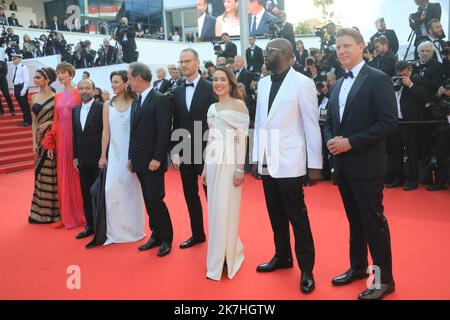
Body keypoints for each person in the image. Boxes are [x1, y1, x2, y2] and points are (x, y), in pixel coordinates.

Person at [324, 28, 397, 300]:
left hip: (367, 166)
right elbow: (330, 121)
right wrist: (332, 140)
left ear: (361, 46)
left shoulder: (378, 79)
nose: (341, 51)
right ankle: (357, 268)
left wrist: (351, 142)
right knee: (355, 221)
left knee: (373, 222)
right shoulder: (338, 83)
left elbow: (389, 123)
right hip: (343, 165)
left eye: (346, 45)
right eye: (338, 47)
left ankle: (383, 280)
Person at [253, 39, 323, 294]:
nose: (265, 53)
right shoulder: (262, 83)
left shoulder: (303, 83)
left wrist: (315, 165)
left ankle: (307, 268)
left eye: (270, 50)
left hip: (292, 161)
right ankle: (282, 256)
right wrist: (256, 157)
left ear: (285, 54)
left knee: (298, 217)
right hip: (268, 160)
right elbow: (260, 121)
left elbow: (311, 124)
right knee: (275, 215)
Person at [201, 66, 249, 281]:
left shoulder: (239, 105)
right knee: (215, 210)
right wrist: (204, 166)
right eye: (215, 79)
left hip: (230, 161)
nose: (218, 83)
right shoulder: (212, 107)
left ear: (230, 83)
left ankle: (228, 255)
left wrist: (240, 168)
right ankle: (218, 256)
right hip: (212, 162)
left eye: (222, 79)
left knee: (226, 208)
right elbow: (211, 137)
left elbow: (242, 139)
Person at [171, 49, 216, 249]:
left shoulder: (211, 88)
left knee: (212, 197)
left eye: (187, 61)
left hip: (207, 151)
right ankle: (197, 233)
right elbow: (176, 122)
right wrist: (175, 149)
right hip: (185, 150)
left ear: (197, 62)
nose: (184, 65)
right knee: (190, 196)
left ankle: (218, 236)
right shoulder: (177, 90)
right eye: (181, 62)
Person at [128, 62, 173, 257]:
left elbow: (164, 132)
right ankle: (155, 234)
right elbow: (134, 133)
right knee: (148, 200)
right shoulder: (136, 101)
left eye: (129, 77)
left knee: (156, 199)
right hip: (139, 160)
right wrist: (131, 156)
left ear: (138, 77)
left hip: (153, 161)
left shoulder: (159, 99)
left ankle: (166, 238)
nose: (128, 81)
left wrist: (157, 158)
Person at [98, 71, 145, 245]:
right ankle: (114, 232)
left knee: (131, 191)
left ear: (126, 83)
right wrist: (103, 155)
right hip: (114, 154)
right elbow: (105, 132)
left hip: (131, 154)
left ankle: (134, 230)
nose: (113, 85)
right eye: (112, 82)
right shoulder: (107, 105)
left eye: (116, 82)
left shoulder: (135, 103)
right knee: (111, 190)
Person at [43, 62, 86, 229]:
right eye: (58, 73)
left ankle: (81, 214)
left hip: (75, 139)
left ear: (71, 74)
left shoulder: (79, 92)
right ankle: (66, 215)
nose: (60, 76)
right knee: (63, 176)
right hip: (61, 139)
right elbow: (55, 121)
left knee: (76, 175)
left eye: (63, 72)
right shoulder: (57, 96)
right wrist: (51, 143)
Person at [72, 79, 103, 239]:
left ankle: (102, 226)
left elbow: (106, 134)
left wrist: (105, 156)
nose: (84, 91)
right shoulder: (75, 110)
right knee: (86, 194)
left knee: (99, 194)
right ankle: (90, 225)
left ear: (93, 90)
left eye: (87, 88)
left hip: (98, 160)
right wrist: (75, 156)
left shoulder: (101, 108)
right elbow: (75, 134)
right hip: (82, 160)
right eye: (81, 88)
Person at [28, 68, 59, 224]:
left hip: (51, 140)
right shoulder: (33, 97)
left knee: (51, 173)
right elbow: (33, 122)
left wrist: (49, 122)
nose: (35, 80)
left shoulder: (56, 98)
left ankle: (53, 212)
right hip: (39, 142)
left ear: (47, 79)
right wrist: (33, 142)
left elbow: (60, 120)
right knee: (39, 174)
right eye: (34, 77)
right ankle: (39, 211)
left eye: (38, 77)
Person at [11, 54, 31, 126]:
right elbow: (14, 80)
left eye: (14, 59)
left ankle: (28, 121)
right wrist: (14, 89)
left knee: (24, 104)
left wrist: (24, 90)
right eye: (12, 59)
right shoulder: (14, 69)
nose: (13, 60)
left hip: (22, 87)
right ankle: (25, 119)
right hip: (16, 87)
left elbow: (27, 80)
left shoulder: (24, 68)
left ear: (19, 59)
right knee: (21, 105)